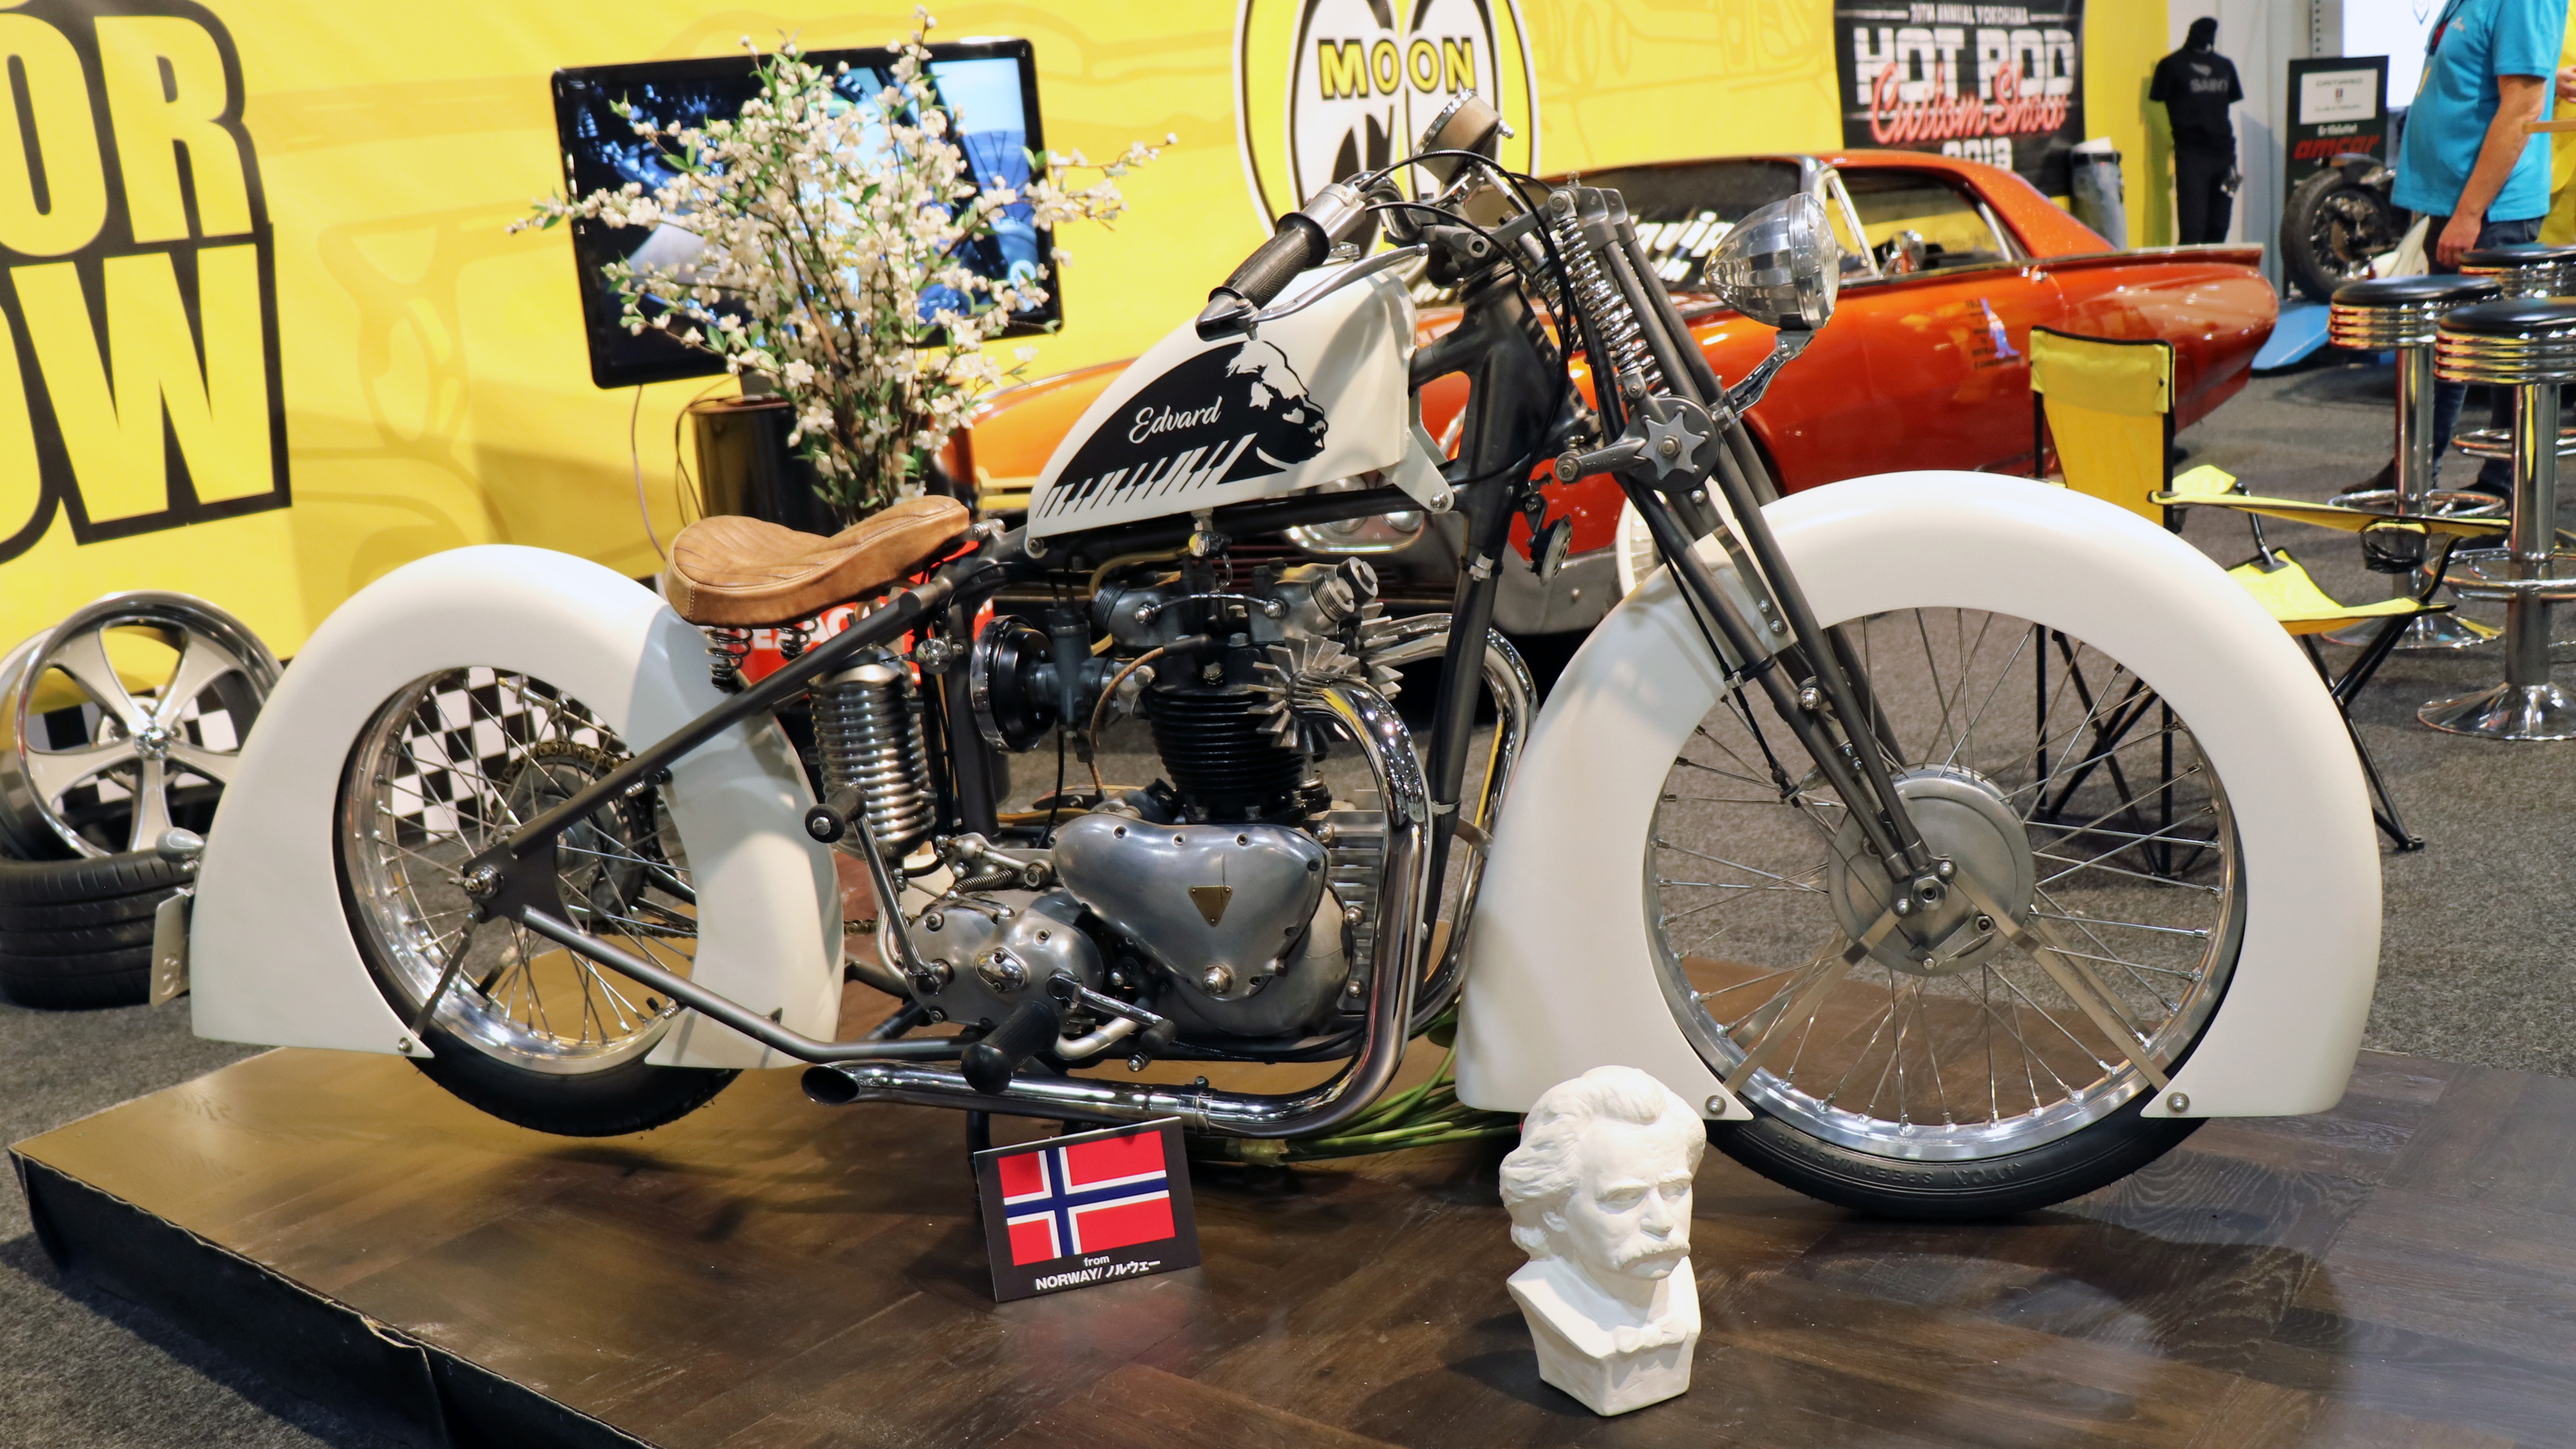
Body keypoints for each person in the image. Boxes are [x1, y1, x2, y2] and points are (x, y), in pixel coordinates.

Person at [2389, 0, 2567, 496]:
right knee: (2445, 346)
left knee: (2495, 355)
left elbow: (2522, 107)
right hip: (2454, 199)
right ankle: (2414, 470)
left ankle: (2505, 487)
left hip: (2489, 209)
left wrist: (2470, 212)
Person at [1497, 1065, 1703, 1416]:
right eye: (1623, 1198)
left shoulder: (1679, 1273)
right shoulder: (1538, 1290)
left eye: (1676, 1189)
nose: (1663, 1221)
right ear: (1554, 1210)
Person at [2151, 17, 2245, 245]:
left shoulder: (2225, 66)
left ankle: (2214, 267)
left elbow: (2231, 98)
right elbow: (2158, 96)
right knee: (2193, 229)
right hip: (2192, 155)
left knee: (2220, 226)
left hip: (2225, 155)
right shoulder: (2171, 65)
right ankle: (2191, 268)